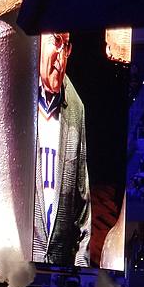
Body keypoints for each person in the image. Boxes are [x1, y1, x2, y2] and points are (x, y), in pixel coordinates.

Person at [33, 31, 90, 267]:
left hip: (59, 271)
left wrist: (82, 267)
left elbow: (82, 201)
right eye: (55, 42)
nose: (60, 55)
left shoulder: (76, 107)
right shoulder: (15, 93)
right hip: (16, 270)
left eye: (65, 46)